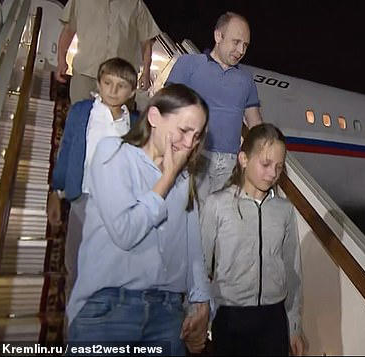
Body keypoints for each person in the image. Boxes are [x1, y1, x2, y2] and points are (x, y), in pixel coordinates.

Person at [66, 84, 211, 355]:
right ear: (154, 118)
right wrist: (166, 180)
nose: (190, 144)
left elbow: (192, 245)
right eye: (183, 131)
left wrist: (201, 300)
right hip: (109, 309)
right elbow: (126, 231)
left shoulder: (183, 178)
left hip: (167, 314)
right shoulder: (113, 153)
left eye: (197, 135)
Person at [200, 123, 304, 356]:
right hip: (230, 320)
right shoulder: (217, 205)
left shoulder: (284, 210)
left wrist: (294, 325)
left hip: (273, 321)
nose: (272, 174)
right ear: (243, 159)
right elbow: (201, 266)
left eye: (278, 167)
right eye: (266, 164)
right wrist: (197, 315)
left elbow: (292, 270)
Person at [48, 57, 139, 301]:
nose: (113, 90)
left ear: (132, 91)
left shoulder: (136, 124)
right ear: (98, 83)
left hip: (117, 207)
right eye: (107, 82)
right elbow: (66, 149)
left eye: (121, 85)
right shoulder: (82, 112)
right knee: (76, 265)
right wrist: (56, 191)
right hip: (84, 200)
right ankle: (73, 329)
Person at [166, 12, 262, 201]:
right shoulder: (189, 65)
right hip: (193, 156)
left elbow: (255, 122)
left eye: (245, 45)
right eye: (236, 42)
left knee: (218, 221)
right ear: (218, 36)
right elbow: (167, 107)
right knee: (191, 215)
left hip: (229, 164)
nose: (241, 50)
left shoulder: (246, 80)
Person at [55, 0, 161, 103]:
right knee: (80, 116)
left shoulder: (136, 4)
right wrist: (61, 60)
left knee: (118, 119)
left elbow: (146, 42)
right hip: (85, 73)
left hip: (121, 78)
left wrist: (146, 72)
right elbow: (68, 30)